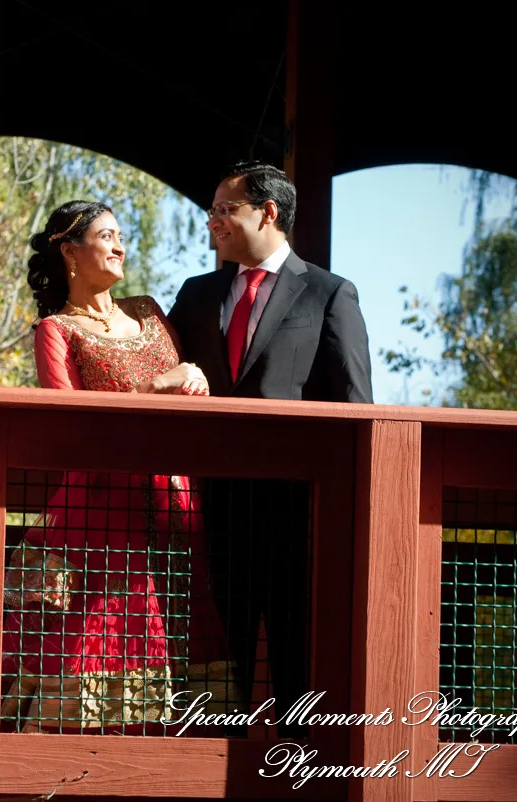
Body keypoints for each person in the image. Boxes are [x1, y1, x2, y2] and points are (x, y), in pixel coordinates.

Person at [1, 200, 239, 735]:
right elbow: (67, 426)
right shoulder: (56, 330)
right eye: (106, 235)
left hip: (175, 497)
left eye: (121, 236)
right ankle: (91, 752)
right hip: (102, 504)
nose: (119, 245)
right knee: (110, 622)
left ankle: (187, 751)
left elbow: (190, 385)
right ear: (69, 251)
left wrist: (195, 380)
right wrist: (154, 386)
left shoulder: (150, 312)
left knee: (183, 615)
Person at [167, 161, 373, 735]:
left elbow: (356, 407)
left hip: (297, 518)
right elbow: (161, 371)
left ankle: (297, 774)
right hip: (210, 512)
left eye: (225, 209)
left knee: (296, 661)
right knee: (209, 665)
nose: (213, 222)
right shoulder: (196, 293)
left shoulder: (331, 294)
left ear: (269, 212)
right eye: (212, 211)